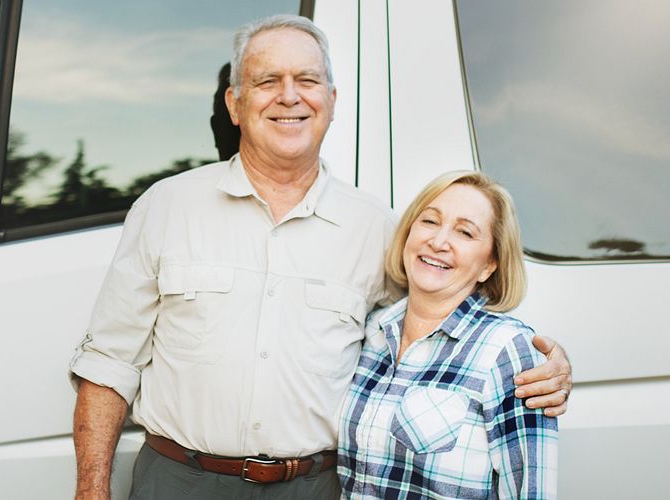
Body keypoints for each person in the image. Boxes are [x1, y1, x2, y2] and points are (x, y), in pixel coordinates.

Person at [69, 15, 570, 500]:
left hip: (317, 488)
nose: (290, 96)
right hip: (178, 481)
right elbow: (108, 363)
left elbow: (437, 326)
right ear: (235, 104)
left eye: (307, 80)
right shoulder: (166, 205)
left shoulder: (377, 227)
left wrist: (543, 365)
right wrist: (91, 489)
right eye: (268, 80)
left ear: (330, 101)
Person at [338, 171, 558, 498]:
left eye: (465, 232)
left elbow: (530, 491)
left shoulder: (507, 351)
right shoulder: (371, 332)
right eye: (429, 221)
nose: (439, 242)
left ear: (489, 264)